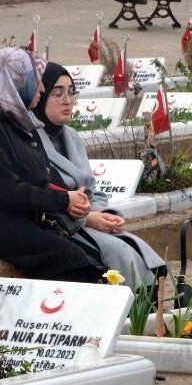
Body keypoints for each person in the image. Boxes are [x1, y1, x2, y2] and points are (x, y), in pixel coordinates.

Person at [0, 47, 106, 283]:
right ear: (14, 83)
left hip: (17, 215)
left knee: (91, 257)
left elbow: (34, 175)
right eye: (35, 81)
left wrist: (67, 198)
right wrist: (62, 201)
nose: (41, 88)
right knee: (73, 264)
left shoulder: (9, 120)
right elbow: (4, 190)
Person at [34, 61, 165, 289]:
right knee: (120, 253)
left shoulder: (71, 136)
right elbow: (45, 196)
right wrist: (88, 219)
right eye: (58, 93)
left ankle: (145, 314)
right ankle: (130, 315)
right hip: (60, 230)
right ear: (41, 95)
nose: (67, 100)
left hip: (88, 222)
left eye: (71, 93)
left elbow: (91, 189)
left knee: (136, 251)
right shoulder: (31, 140)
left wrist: (105, 215)